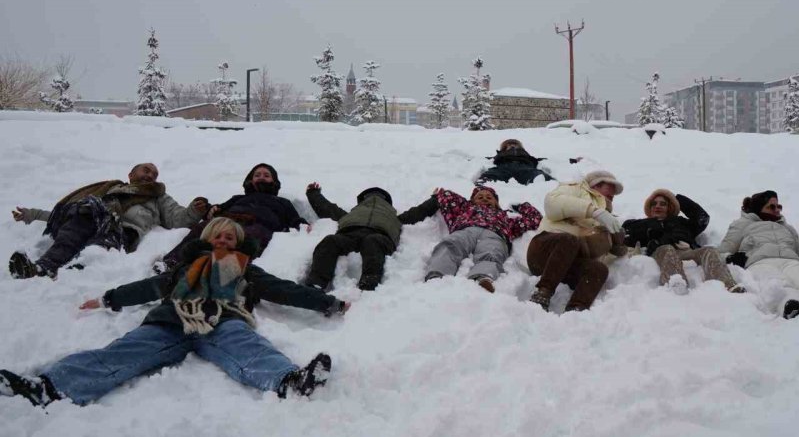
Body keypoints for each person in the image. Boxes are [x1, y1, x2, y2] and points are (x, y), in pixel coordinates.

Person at [0, 218, 348, 408]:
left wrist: (328, 303)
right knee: (124, 351)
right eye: (218, 236)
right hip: (170, 321)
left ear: (239, 243)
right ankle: (48, 387)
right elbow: (148, 288)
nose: (224, 241)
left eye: (231, 237)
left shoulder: (246, 270)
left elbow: (285, 290)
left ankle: (289, 381)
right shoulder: (183, 270)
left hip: (222, 321)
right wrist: (109, 298)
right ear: (208, 238)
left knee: (248, 346)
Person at [9, 162, 207, 279]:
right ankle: (43, 267)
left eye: (154, 174)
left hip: (122, 231)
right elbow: (66, 212)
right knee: (78, 220)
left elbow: (177, 218)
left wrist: (194, 210)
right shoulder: (109, 189)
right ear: (130, 175)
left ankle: (74, 276)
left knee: (98, 248)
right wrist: (32, 214)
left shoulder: (158, 197)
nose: (150, 175)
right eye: (145, 170)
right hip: (93, 219)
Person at [159, 163, 307, 270]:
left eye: (266, 175)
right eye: (257, 175)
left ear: (274, 182)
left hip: (259, 225)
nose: (261, 177)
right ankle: (172, 261)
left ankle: (225, 270)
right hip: (230, 220)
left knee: (250, 238)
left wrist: (303, 225)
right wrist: (210, 209)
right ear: (250, 180)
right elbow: (218, 209)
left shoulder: (282, 202)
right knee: (203, 228)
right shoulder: (238, 198)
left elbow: (295, 220)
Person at [305, 184, 438, 291]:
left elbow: (417, 212)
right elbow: (328, 209)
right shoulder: (352, 214)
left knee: (372, 241)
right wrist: (313, 193)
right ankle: (316, 284)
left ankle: (368, 285)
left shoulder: (394, 217)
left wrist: (435, 200)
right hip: (349, 233)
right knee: (330, 241)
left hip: (380, 236)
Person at [526, 170, 624, 312]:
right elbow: (552, 204)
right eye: (610, 187)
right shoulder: (575, 189)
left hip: (567, 265)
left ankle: (576, 310)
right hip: (543, 252)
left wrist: (614, 243)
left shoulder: (607, 218)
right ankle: (543, 293)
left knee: (599, 269)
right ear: (596, 185)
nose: (613, 193)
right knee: (569, 239)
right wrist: (595, 212)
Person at [718, 190, 799, 319]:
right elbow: (720, 252)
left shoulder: (787, 227)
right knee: (779, 285)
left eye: (779, 206)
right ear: (758, 208)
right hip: (761, 262)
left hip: (791, 261)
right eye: (772, 206)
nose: (777, 210)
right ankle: (792, 307)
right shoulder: (743, 224)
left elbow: (798, 248)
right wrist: (731, 258)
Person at [623, 189, 744, 294]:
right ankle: (676, 285)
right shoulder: (640, 223)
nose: (657, 206)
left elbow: (702, 218)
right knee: (667, 249)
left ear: (669, 207)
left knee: (709, 250)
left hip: (687, 252)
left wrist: (677, 199)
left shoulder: (681, 222)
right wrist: (649, 232)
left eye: (663, 203)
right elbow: (626, 233)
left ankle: (727, 286)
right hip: (662, 252)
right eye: (654, 203)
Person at [424, 185, 541, 292]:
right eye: (480, 196)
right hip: (466, 230)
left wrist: (521, 206)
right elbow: (448, 196)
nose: (485, 198)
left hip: (494, 234)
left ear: (496, 202)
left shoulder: (506, 218)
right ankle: (437, 275)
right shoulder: (464, 208)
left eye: (489, 197)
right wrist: (438, 195)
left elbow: (535, 218)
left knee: (492, 253)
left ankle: (483, 277)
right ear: (472, 201)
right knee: (450, 245)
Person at [477, 139, 556, 185]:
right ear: (505, 147)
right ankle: (483, 183)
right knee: (492, 174)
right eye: (509, 144)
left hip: (524, 167)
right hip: (505, 166)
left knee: (539, 175)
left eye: (514, 144)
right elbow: (492, 159)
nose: (512, 145)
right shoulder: (501, 153)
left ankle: (553, 185)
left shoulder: (524, 153)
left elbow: (534, 159)